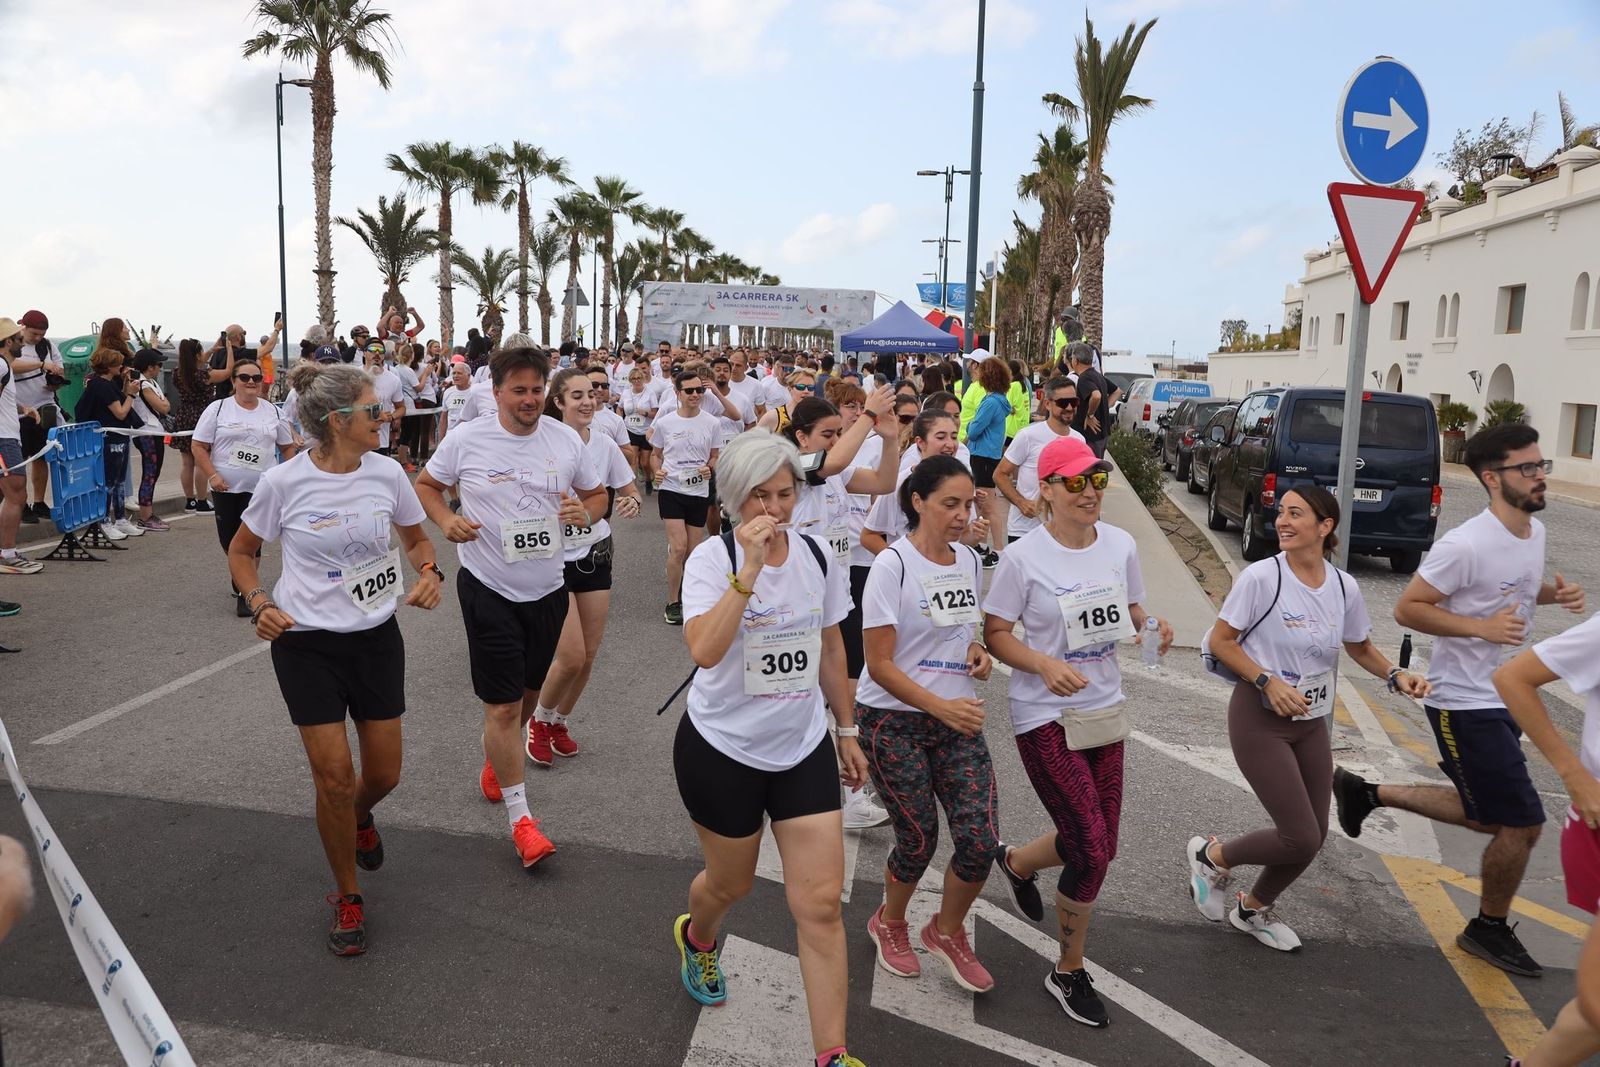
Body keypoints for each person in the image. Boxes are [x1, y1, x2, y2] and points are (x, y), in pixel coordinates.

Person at [1334, 424, 1586, 977]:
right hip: (1461, 701)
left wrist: (1552, 594)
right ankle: (1487, 928)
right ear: (1493, 478)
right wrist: (1481, 629)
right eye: (1528, 468)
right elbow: (1409, 608)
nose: (1540, 475)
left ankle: (1366, 793)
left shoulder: (1532, 534)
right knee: (1521, 822)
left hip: (1502, 696)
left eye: (1541, 465)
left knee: (1490, 812)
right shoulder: (1465, 543)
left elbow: (1515, 589)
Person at [228, 362, 443, 955]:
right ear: (337, 420)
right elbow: (243, 551)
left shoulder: (389, 472)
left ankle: (358, 818)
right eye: (375, 411)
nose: (387, 417)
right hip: (307, 645)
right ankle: (348, 894)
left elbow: (418, 539)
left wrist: (428, 570)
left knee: (382, 775)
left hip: (375, 638)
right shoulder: (283, 482)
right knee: (333, 778)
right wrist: (258, 601)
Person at [672, 430, 869, 1067]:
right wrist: (749, 572)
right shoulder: (712, 559)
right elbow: (703, 650)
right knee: (728, 884)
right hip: (723, 748)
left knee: (817, 905)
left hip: (802, 744)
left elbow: (832, 647)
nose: (777, 509)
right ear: (734, 498)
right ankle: (697, 936)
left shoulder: (816, 555)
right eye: (762, 496)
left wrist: (846, 729)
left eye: (786, 494)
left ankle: (832, 1055)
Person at [981, 435, 1172, 1028]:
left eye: (1098, 480)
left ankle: (1015, 862)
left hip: (1104, 710)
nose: (1091, 492)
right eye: (1076, 482)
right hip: (1044, 715)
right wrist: (1041, 663)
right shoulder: (1024, 558)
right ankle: (1067, 969)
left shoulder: (1119, 544)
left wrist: (1153, 629)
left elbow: (1136, 612)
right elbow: (996, 632)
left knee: (1097, 840)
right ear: (1047, 490)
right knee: (1091, 846)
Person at [1187, 485, 1426, 952]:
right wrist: (1266, 682)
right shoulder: (1262, 578)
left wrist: (1396, 674)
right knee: (1297, 835)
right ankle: (1211, 856)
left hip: (1311, 721)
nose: (1283, 521)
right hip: (1259, 718)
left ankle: (1252, 909)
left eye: (1296, 514)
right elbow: (1221, 641)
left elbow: (1358, 647)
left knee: (1312, 838)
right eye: (1281, 513)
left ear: (1325, 525)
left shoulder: (1343, 585)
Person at [415, 346, 607, 868]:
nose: (529, 399)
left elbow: (597, 497)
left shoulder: (564, 439)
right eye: (518, 390)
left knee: (523, 698)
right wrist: (445, 520)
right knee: (501, 707)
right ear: (495, 391)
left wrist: (582, 512)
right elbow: (428, 486)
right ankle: (522, 821)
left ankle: (497, 755)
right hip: (487, 586)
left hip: (547, 587)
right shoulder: (468, 438)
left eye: (536, 389)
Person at [857, 455, 1019, 993]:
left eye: (968, 503)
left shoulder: (970, 561)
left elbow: (962, 630)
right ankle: (891, 922)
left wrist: (977, 652)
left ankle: (947, 931)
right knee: (918, 837)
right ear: (918, 502)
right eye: (950, 503)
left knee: (980, 840)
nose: (961, 514)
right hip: (894, 721)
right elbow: (878, 664)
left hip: (957, 719)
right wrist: (938, 705)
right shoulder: (892, 566)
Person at [525, 368, 642, 766]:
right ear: (557, 402)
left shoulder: (605, 443)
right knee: (571, 655)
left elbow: (628, 491)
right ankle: (538, 721)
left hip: (594, 554)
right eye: (576, 395)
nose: (588, 401)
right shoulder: (540, 442)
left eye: (591, 393)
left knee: (589, 655)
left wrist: (631, 502)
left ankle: (559, 720)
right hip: (551, 559)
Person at [193, 359, 298, 616]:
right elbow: (198, 445)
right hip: (226, 487)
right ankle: (240, 578)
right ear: (234, 381)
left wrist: (291, 475)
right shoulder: (218, 409)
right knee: (229, 541)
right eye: (245, 377)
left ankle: (246, 593)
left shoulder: (272, 411)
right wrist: (213, 475)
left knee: (253, 541)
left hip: (262, 488)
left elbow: (287, 446)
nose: (251, 382)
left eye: (256, 378)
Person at [648, 368, 721, 626]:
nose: (695, 395)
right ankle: (673, 602)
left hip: (698, 491)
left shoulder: (712, 423)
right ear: (678, 393)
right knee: (678, 547)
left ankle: (688, 593)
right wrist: (657, 472)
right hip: (672, 489)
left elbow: (715, 455)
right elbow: (655, 454)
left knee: (692, 550)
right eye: (689, 391)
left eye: (699, 390)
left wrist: (709, 467)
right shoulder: (666, 422)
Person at [863, 411, 985, 555]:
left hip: (946, 575)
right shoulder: (900, 483)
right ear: (920, 442)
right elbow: (868, 536)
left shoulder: (962, 482)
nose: (950, 444)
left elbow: (960, 541)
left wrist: (973, 535)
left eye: (954, 437)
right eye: (941, 437)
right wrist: (901, 563)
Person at [75, 319, 144, 542]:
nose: (121, 369)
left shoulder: (105, 383)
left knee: (120, 480)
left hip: (119, 435)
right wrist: (131, 394)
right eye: (118, 366)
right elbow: (121, 412)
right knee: (109, 481)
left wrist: (125, 388)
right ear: (109, 366)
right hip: (109, 437)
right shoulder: (101, 385)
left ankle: (121, 518)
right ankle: (104, 520)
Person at [995, 377, 1085, 546]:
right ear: (1048, 403)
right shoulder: (1028, 436)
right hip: (1025, 531)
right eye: (1063, 403)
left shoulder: (1079, 441)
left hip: (1063, 532)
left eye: (1074, 402)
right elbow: (1000, 474)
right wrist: (1021, 502)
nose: (1070, 408)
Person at [13, 310, 63, 523]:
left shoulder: (48, 346)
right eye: (34, 334)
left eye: (42, 334)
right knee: (21, 459)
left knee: (43, 456)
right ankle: (21, 503)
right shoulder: (13, 344)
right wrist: (41, 365)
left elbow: (60, 369)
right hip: (19, 410)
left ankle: (40, 502)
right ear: (22, 326)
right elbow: (10, 366)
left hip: (45, 407)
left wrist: (56, 379)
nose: (38, 338)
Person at [0, 319, 41, 574]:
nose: (22, 342)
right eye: (17, 339)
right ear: (7, 342)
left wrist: (22, 408)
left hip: (6, 435)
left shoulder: (5, 366)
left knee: (7, 495)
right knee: (17, 494)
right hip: (3, 439)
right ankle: (7, 554)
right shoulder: (2, 364)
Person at [172, 338, 232, 513]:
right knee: (201, 460)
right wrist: (229, 350)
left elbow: (195, 363)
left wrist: (212, 349)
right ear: (197, 355)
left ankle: (189, 501)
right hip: (201, 415)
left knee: (186, 463)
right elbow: (228, 372)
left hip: (183, 415)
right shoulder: (204, 375)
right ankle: (202, 501)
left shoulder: (178, 373)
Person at [964, 356, 1013, 567]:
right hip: (990, 455)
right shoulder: (1000, 401)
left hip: (982, 456)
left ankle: (999, 550)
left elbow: (974, 430)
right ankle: (983, 546)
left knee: (988, 505)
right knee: (984, 505)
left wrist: (968, 428)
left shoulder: (990, 402)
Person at [127, 349, 172, 531]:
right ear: (149, 367)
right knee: (150, 474)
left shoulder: (150, 382)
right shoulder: (143, 385)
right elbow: (163, 407)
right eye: (158, 365)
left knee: (153, 473)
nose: (160, 368)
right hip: (147, 434)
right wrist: (165, 404)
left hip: (154, 432)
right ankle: (145, 516)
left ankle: (148, 513)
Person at [1065, 343, 1112, 458]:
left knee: (1090, 471)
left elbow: (1096, 396)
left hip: (1090, 437)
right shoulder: (1098, 376)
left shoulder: (1084, 378)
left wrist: (1090, 415)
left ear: (1075, 361)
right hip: (1101, 436)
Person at [213, 321, 280, 401]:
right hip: (236, 399)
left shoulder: (217, 353)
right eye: (243, 333)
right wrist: (277, 329)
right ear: (238, 336)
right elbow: (268, 348)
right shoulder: (239, 353)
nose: (244, 336)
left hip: (219, 398)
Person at [362, 341, 406, 457]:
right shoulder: (353, 376)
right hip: (356, 440)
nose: (377, 354)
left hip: (381, 440)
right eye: (372, 349)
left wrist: (392, 416)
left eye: (381, 351)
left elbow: (401, 408)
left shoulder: (393, 380)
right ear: (364, 353)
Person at [620, 364, 655, 485]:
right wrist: (620, 420)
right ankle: (632, 487)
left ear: (643, 379)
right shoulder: (626, 393)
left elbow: (656, 413)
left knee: (645, 462)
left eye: (639, 378)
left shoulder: (650, 393)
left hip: (646, 431)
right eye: (634, 379)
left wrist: (645, 413)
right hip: (630, 429)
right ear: (630, 380)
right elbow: (619, 408)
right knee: (632, 459)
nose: (636, 381)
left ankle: (648, 479)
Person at [390, 343, 422, 471]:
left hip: (398, 403)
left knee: (401, 433)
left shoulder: (396, 368)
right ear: (411, 355)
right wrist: (426, 373)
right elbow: (418, 387)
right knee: (407, 434)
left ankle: (402, 460)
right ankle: (403, 462)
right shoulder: (408, 370)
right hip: (409, 405)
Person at [755, 369, 817, 434]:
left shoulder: (819, 416)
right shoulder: (773, 417)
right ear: (790, 389)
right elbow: (753, 440)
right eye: (800, 387)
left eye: (810, 387)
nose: (806, 391)